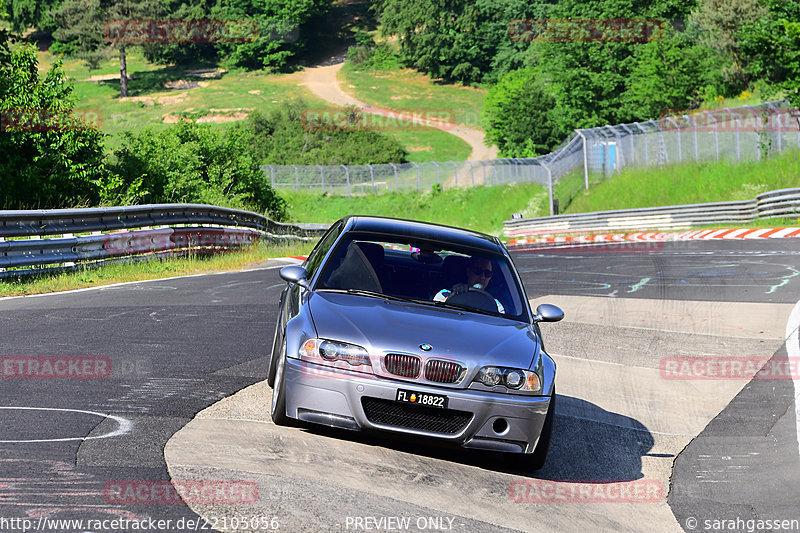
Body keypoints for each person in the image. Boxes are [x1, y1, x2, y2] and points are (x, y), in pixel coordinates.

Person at [434, 256, 505, 313]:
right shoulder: (444, 294)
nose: (482, 277)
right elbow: (434, 312)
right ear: (468, 272)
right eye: (477, 271)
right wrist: (453, 296)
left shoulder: (497, 306)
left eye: (487, 274)